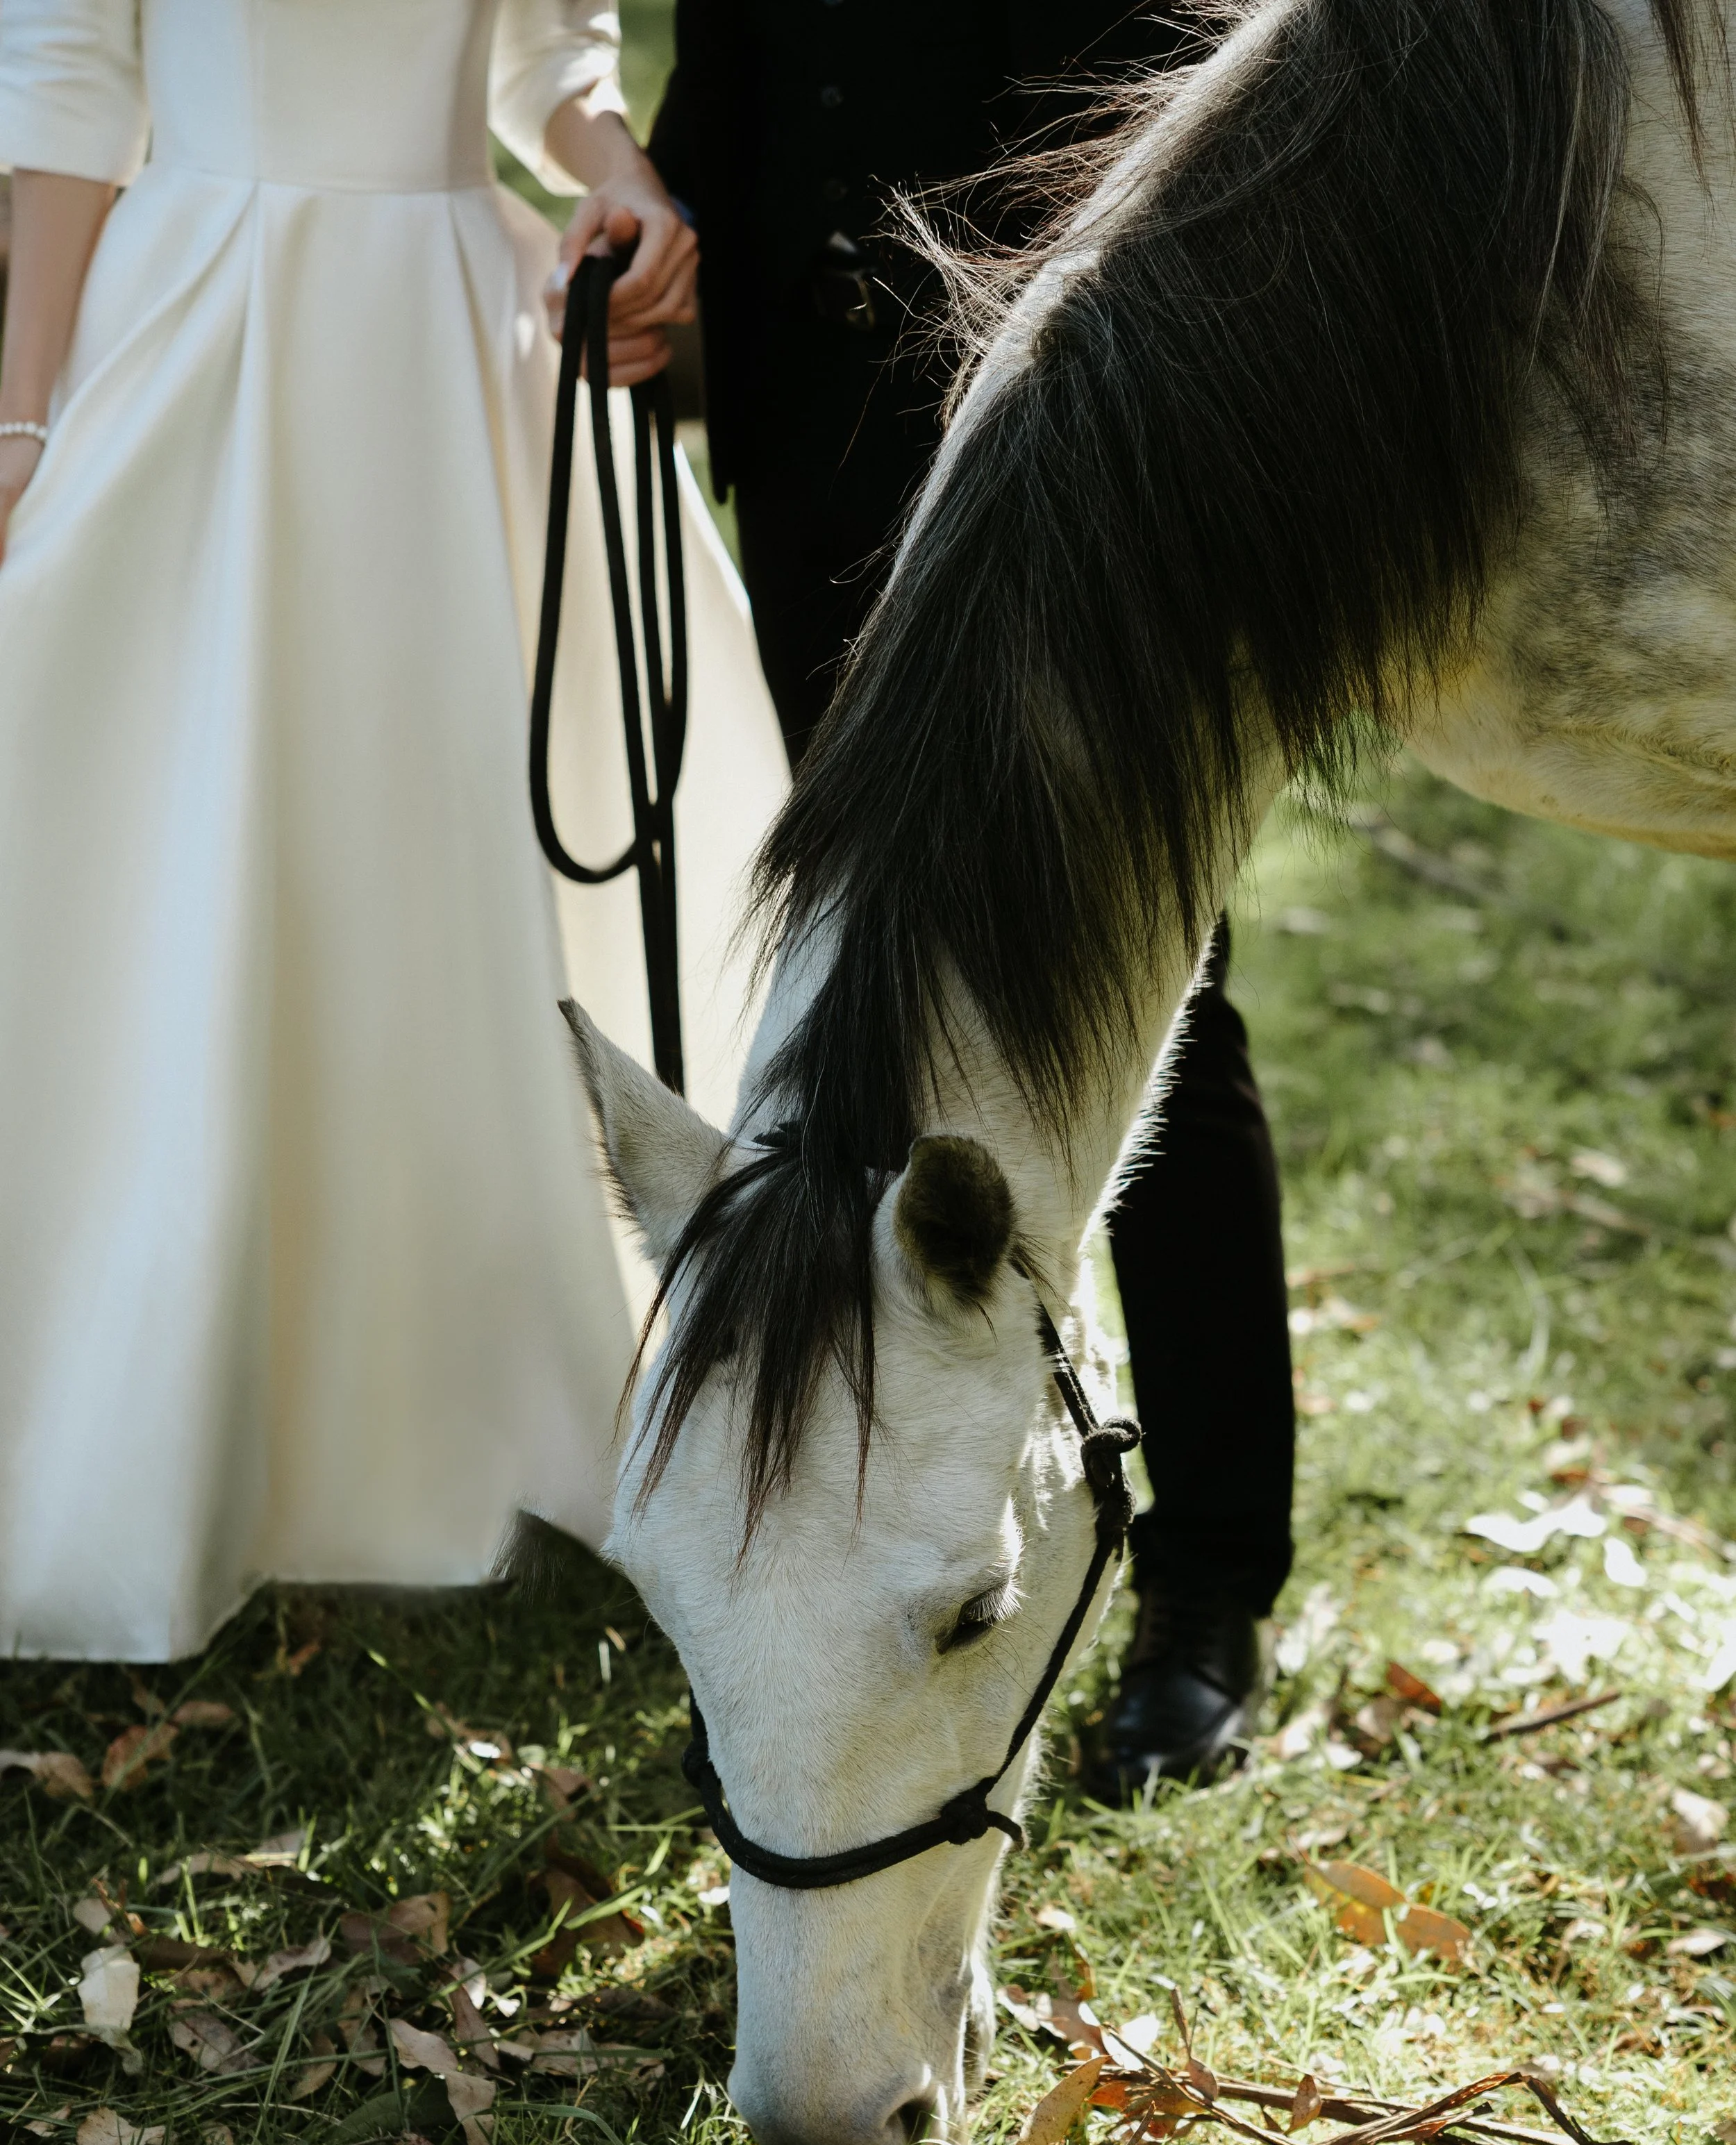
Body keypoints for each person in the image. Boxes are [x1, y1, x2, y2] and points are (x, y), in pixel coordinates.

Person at [0, 0, 787, 1663]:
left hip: (458, 347)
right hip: (206, 324)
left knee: (445, 876)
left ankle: (468, 1385)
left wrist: (620, 174)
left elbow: (547, 55)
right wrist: (24, 410)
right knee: (190, 855)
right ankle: (168, 1409)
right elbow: (69, 81)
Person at [649, 1, 1294, 1792]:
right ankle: (862, 1553)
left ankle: (1209, 1584)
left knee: (1151, 985)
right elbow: (741, 74)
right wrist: (656, 249)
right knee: (858, 995)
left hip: (1084, 450)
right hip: (812, 447)